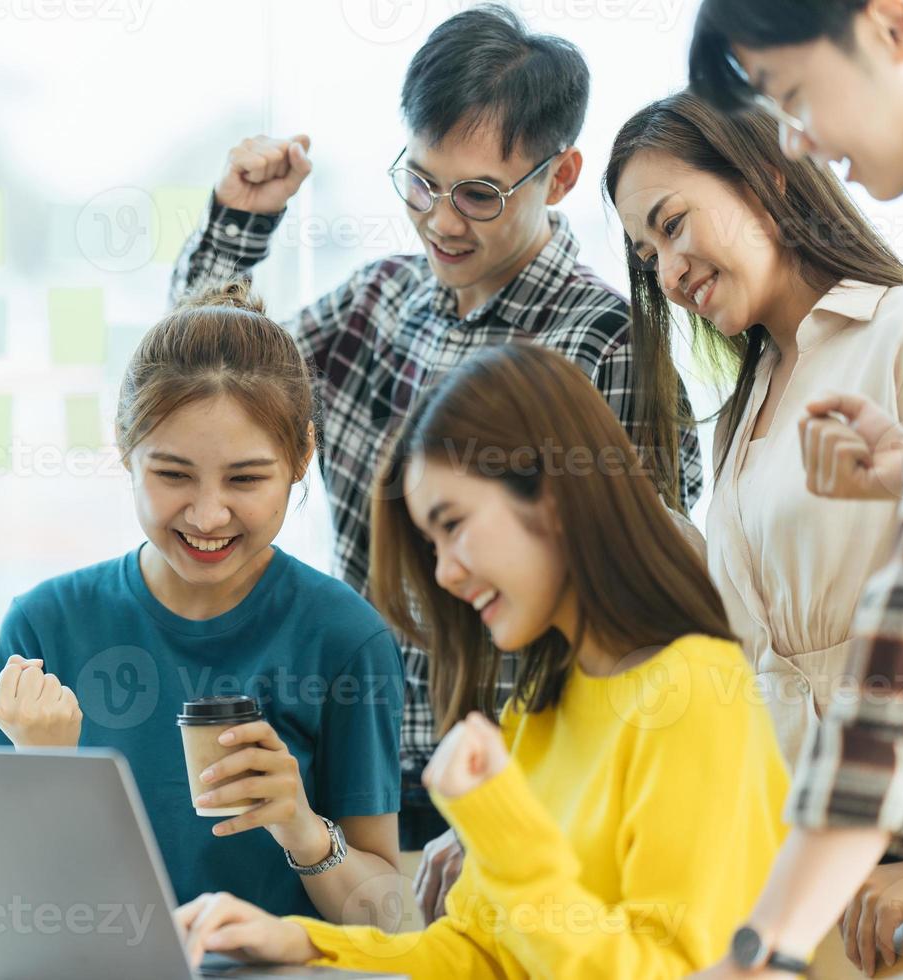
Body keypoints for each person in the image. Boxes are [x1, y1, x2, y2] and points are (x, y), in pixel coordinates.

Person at [171, 4, 703, 915]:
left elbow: (632, 623)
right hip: (349, 777)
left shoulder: (601, 344)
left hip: (505, 799)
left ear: (561, 174)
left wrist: (508, 801)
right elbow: (210, 380)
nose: (441, 221)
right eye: (421, 183)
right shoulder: (381, 301)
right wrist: (240, 223)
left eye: (479, 195)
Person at [171, 342, 789, 977]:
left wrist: (504, 829)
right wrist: (304, 943)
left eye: (454, 524)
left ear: (554, 496)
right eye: (432, 543)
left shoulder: (694, 696)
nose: (445, 573)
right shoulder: (542, 708)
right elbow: (476, 952)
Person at [0, 280, 405, 926]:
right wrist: (50, 773)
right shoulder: (43, 628)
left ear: (302, 459)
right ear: (125, 449)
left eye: (247, 478)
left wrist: (302, 827)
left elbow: (390, 922)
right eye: (173, 475)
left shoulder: (346, 640)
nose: (208, 515)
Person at [688, 3, 903, 973]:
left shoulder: (898, 329)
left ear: (893, 27)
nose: (796, 140)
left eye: (788, 92)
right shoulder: (739, 411)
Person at [604, 91, 903, 769]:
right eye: (646, 254)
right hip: (789, 825)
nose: (668, 273)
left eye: (673, 225)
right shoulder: (745, 410)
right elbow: (755, 647)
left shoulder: (902, 334)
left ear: (765, 178)